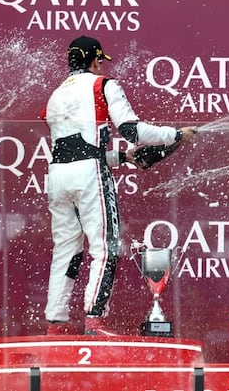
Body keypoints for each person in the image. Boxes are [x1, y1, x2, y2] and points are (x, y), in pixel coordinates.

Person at [43, 35, 197, 335]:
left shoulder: (56, 94)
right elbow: (132, 130)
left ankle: (55, 323)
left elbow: (76, 146)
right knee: (106, 248)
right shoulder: (103, 85)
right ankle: (94, 321)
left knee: (65, 250)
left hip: (58, 175)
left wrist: (123, 157)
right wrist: (174, 135)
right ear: (96, 60)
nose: (102, 65)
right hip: (89, 176)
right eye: (101, 61)